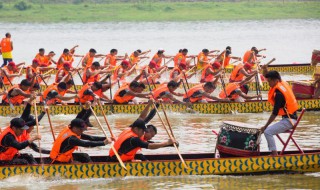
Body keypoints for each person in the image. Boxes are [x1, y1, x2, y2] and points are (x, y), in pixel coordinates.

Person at [260, 70, 298, 156]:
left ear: (275, 80)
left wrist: (265, 127)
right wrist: (265, 70)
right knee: (268, 130)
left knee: (267, 132)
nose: (268, 83)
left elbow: (275, 113)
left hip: (289, 121)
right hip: (290, 118)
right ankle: (274, 153)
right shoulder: (282, 83)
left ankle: (274, 154)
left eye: (269, 81)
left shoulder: (279, 94)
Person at [108, 118, 176, 162]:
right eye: (143, 131)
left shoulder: (128, 129)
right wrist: (167, 143)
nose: (144, 133)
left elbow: (150, 143)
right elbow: (150, 146)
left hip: (114, 158)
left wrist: (170, 144)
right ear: (136, 129)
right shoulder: (134, 139)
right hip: (116, 161)